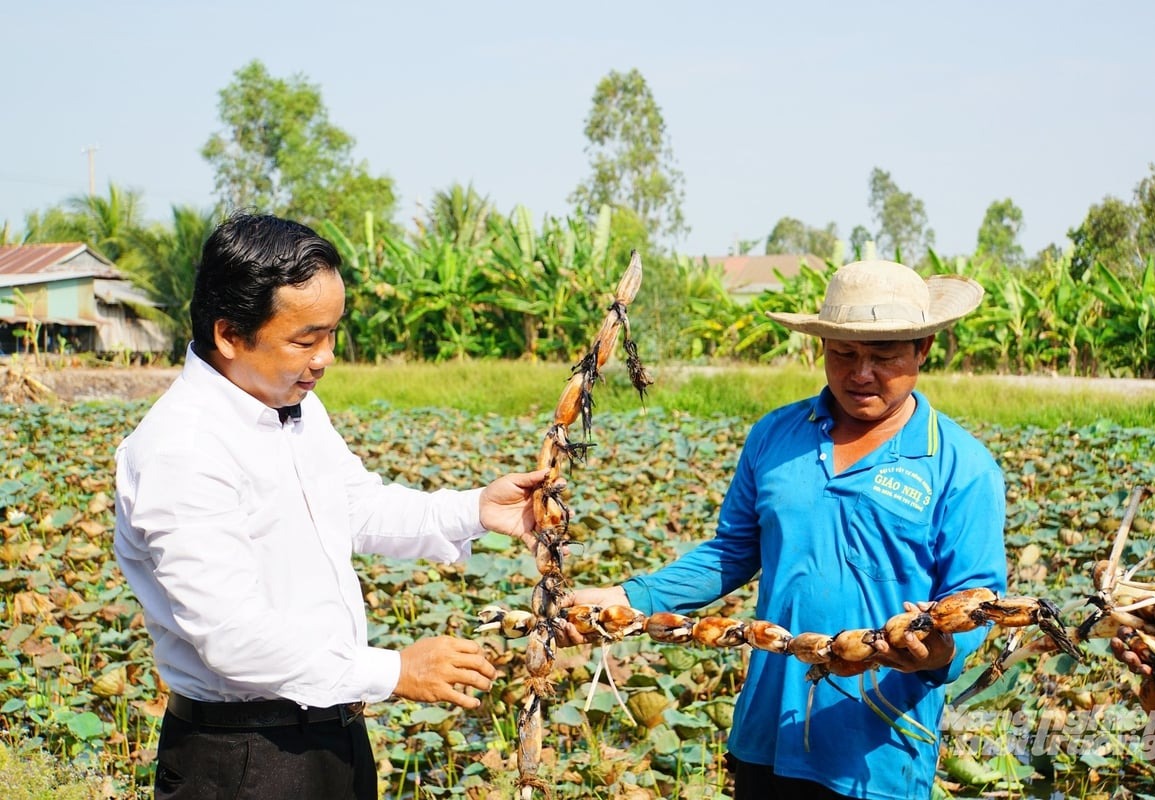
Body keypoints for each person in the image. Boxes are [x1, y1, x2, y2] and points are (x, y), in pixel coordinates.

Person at [114, 212, 547, 800]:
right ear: (230, 335)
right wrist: (396, 670)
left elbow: (356, 506)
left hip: (332, 734)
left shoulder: (292, 404)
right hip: (244, 757)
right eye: (305, 340)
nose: (325, 357)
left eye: (333, 334)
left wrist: (476, 510)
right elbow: (233, 636)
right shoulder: (182, 449)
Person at [570, 259, 1008, 800]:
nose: (860, 373)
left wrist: (941, 654)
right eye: (843, 353)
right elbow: (732, 553)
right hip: (769, 729)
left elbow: (978, 600)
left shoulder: (962, 466)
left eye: (883, 356)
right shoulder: (775, 436)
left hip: (877, 747)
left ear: (923, 349)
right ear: (821, 347)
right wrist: (627, 597)